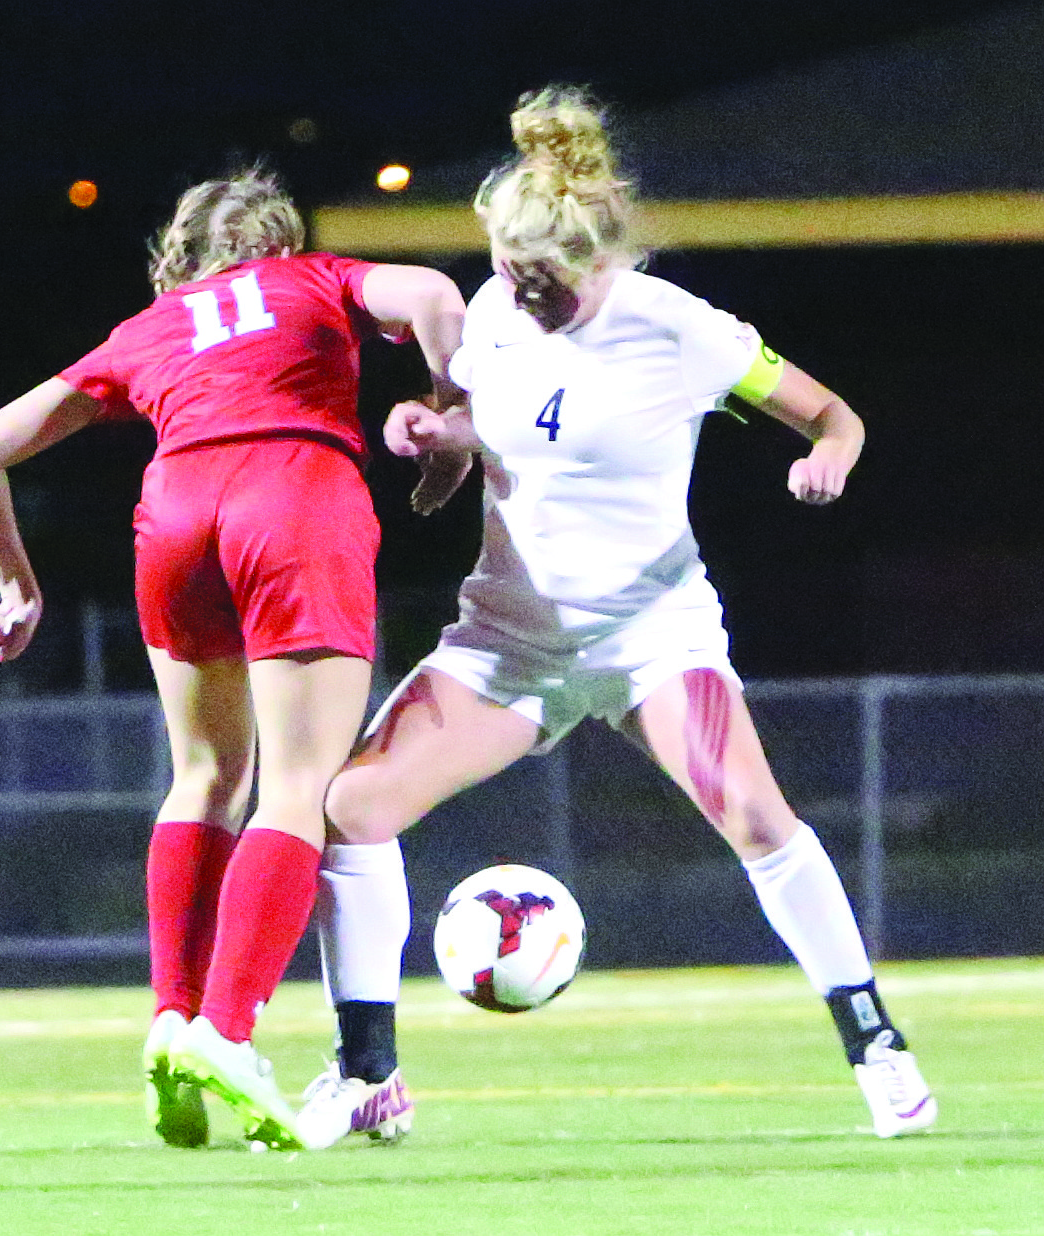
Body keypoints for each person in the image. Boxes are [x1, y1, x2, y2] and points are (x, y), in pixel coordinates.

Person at [294, 87, 936, 1150]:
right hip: (509, 643)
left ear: (601, 261)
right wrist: (435, 432)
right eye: (508, 273)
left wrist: (827, 456)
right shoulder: (494, 314)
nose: (522, 295)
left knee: (757, 817)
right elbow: (486, 428)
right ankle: (368, 1074)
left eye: (544, 279)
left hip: (650, 638)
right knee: (350, 811)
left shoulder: (679, 331)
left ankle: (874, 1042)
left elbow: (831, 414)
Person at [0, 167, 466, 1151]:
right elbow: (438, 297)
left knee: (204, 775)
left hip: (177, 513)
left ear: (177, 258)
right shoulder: (313, 278)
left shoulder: (149, 331)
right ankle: (227, 1033)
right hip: (293, 490)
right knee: (299, 782)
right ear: (274, 239)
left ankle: (174, 1022)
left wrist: (19, 590)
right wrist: (450, 417)